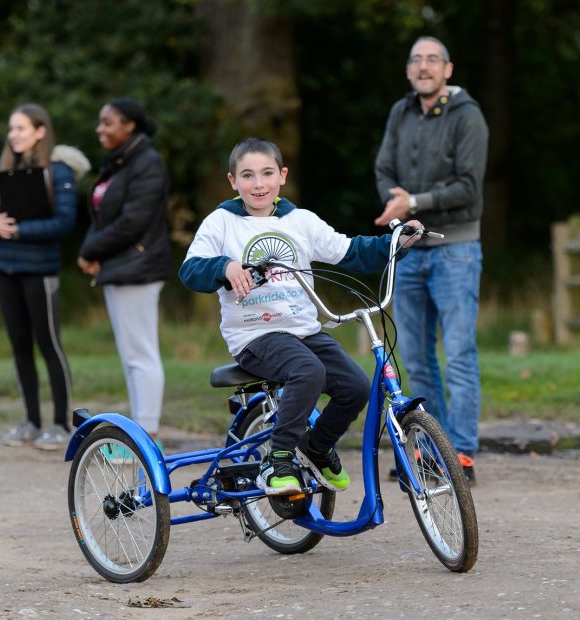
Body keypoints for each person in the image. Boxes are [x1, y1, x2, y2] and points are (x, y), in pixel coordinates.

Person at [179, 137, 422, 495]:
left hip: (303, 329)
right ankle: (278, 460)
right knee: (308, 371)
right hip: (255, 335)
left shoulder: (300, 221)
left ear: (282, 176)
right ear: (233, 181)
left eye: (266, 174)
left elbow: (350, 251)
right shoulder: (221, 224)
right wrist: (226, 266)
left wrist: (393, 244)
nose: (258, 184)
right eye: (247, 176)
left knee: (355, 387)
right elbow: (190, 270)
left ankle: (316, 448)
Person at [374, 36, 489, 485]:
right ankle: (429, 452)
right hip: (409, 249)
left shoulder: (468, 116)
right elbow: (384, 169)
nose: (424, 67)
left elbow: (468, 186)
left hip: (456, 249)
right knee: (418, 359)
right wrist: (396, 201)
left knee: (459, 353)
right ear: (408, 71)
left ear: (448, 69)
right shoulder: (400, 113)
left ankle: (460, 453)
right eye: (416, 60)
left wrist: (413, 201)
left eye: (432, 60)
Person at [0, 103, 91, 450]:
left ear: (40, 131)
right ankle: (30, 421)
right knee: (19, 346)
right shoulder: (4, 170)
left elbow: (64, 224)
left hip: (40, 271)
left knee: (49, 345)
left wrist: (18, 230)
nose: (14, 135)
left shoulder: (58, 172)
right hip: (4, 269)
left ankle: (59, 424)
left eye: (21, 128)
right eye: (12, 129)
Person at [77, 99, 172, 451]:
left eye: (107, 123)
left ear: (129, 125)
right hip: (121, 267)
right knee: (131, 355)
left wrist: (91, 250)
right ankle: (139, 436)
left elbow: (134, 221)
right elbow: (103, 215)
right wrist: (91, 251)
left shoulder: (148, 163)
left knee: (141, 354)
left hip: (139, 268)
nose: (100, 129)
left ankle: (148, 438)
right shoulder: (121, 163)